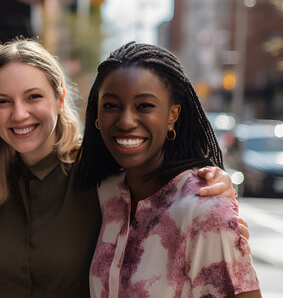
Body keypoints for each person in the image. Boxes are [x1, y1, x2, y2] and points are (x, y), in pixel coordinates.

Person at [0, 40, 243, 297]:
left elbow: (159, 176)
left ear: (59, 100)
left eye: (33, 97)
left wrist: (211, 186)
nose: (19, 113)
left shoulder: (103, 176)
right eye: (3, 101)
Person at [75, 42, 260, 297]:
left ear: (172, 115)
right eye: (111, 105)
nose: (126, 121)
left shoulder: (205, 211)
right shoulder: (106, 193)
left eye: (144, 106)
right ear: (97, 114)